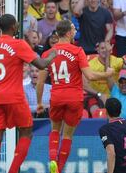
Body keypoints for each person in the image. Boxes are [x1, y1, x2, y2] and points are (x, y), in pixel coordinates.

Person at [36, 20, 114, 173]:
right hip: (74, 97)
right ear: (68, 33)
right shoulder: (77, 51)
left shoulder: (47, 54)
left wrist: (39, 102)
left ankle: (52, 159)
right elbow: (90, 76)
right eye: (73, 29)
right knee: (68, 135)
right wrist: (107, 73)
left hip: (57, 96)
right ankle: (58, 169)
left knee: (54, 130)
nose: (75, 31)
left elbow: (40, 82)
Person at [0, 14, 56, 173]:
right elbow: (41, 64)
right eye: (17, 25)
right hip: (15, 96)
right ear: (13, 27)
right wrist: (52, 53)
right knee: (26, 131)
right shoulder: (18, 44)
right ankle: (13, 170)